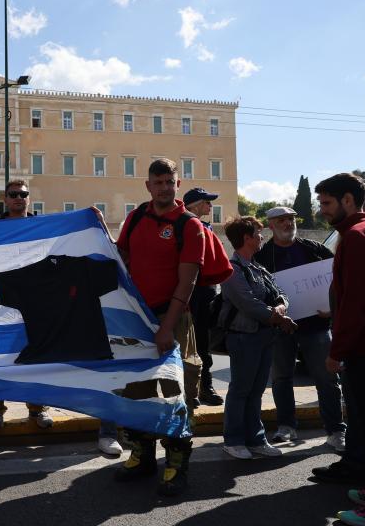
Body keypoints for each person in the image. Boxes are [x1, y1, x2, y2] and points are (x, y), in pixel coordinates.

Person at [100, 158, 205, 496]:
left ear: (177, 183)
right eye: (157, 182)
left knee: (177, 393)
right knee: (137, 391)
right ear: (148, 186)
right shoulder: (136, 218)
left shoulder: (190, 226)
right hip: (136, 321)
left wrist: (166, 328)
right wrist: (99, 231)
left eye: (169, 182)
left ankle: (176, 463)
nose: (164, 188)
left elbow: (187, 284)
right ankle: (142, 454)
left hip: (172, 319)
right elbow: (121, 258)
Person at [315, 173, 365, 526]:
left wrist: (336, 351)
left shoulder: (357, 236)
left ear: (348, 201)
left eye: (327, 203)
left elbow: (357, 302)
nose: (322, 210)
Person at [253, 206, 346, 451]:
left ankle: (336, 430)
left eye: (291, 219)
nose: (288, 224)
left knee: (327, 378)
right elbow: (256, 291)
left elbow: (339, 278)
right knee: (281, 378)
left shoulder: (314, 249)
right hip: (280, 329)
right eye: (281, 220)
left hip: (316, 326)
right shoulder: (262, 256)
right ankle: (286, 427)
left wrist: (333, 309)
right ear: (270, 225)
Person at [220, 216, 297, 459]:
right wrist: (279, 318)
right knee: (241, 390)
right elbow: (248, 304)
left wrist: (281, 306)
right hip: (243, 337)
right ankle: (233, 440)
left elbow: (280, 291)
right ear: (247, 238)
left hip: (264, 336)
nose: (262, 237)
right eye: (258, 234)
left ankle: (255, 439)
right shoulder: (232, 269)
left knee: (256, 391)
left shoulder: (257, 266)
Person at [0, 180, 54, 430]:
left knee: (35, 356)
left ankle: (38, 408)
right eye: (13, 194)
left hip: (36, 301)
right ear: (5, 199)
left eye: (23, 194)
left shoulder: (42, 227)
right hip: (3, 300)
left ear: (29, 198)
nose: (18, 198)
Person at [183, 187, 224, 407]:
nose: (210, 205)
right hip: (189, 291)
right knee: (185, 343)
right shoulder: (184, 224)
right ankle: (188, 390)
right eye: (206, 202)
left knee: (203, 342)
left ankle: (204, 386)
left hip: (206, 290)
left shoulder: (205, 226)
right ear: (195, 204)